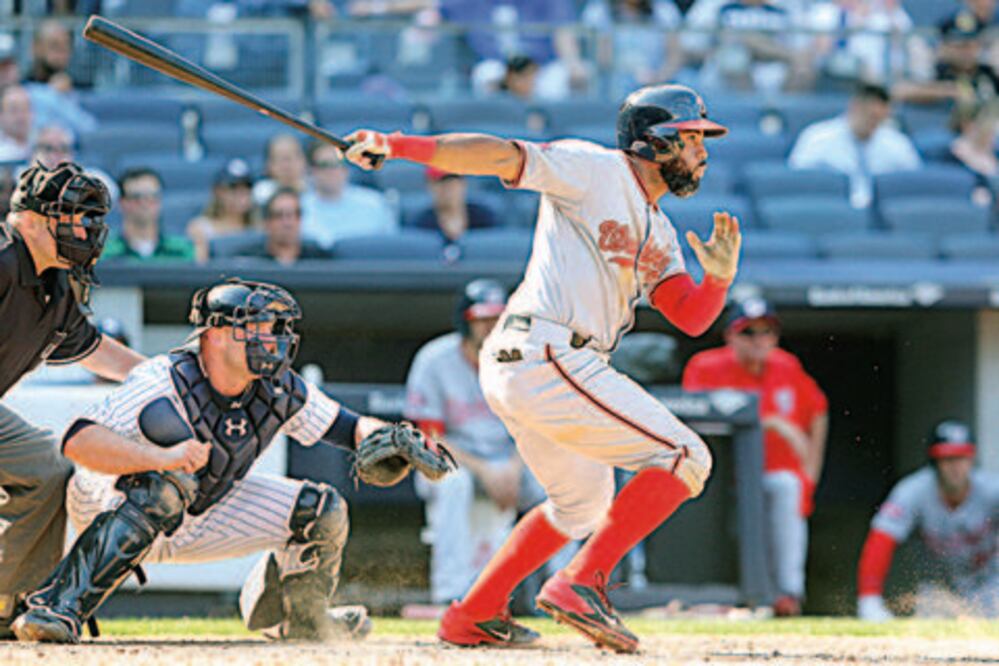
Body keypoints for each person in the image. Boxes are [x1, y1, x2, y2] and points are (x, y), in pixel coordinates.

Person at [345, 82, 741, 652]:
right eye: (691, 138)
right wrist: (397, 145)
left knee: (581, 507)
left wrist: (719, 280)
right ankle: (582, 581)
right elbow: (499, 155)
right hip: (547, 349)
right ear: (654, 143)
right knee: (686, 456)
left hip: (542, 361)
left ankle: (472, 613)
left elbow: (690, 316)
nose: (702, 150)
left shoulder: (660, 230)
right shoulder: (595, 169)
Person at [10, 278, 456, 643]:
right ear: (216, 334)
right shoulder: (163, 379)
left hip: (199, 510)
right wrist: (159, 455)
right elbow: (78, 441)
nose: (272, 339)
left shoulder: (279, 386)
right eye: (258, 327)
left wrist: (390, 436)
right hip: (109, 503)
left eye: (275, 328)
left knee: (323, 509)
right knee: (165, 484)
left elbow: (349, 426)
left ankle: (299, 620)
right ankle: (57, 607)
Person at [0, 162, 146, 639]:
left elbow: (94, 348)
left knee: (48, 471)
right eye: (72, 218)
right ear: (31, 220)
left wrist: (159, 376)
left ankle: (11, 600)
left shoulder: (56, 283)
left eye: (88, 219)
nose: (83, 230)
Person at [406, 279, 550, 605]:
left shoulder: (525, 359)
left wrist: (513, 466)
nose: (491, 327)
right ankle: (451, 593)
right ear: (465, 322)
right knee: (452, 483)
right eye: (482, 319)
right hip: (453, 460)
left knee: (559, 483)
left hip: (512, 459)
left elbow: (536, 427)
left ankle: (558, 590)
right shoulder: (434, 359)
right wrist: (486, 470)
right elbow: (428, 436)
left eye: (498, 319)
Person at [682, 298, 828, 617]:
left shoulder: (786, 365)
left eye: (766, 331)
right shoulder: (705, 366)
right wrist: (770, 421)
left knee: (788, 486)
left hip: (773, 471)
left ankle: (788, 594)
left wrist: (811, 469)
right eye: (748, 332)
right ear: (730, 336)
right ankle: (718, 596)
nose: (759, 340)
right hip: (720, 476)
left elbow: (818, 410)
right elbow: (691, 419)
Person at [857, 420, 999, 620]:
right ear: (935, 462)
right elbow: (882, 540)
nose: (955, 467)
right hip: (937, 591)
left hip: (988, 585)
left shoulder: (992, 490)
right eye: (948, 459)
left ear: (972, 459)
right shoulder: (913, 491)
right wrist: (869, 597)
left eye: (961, 458)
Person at [788, 83, 921, 208]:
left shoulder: (897, 143)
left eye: (879, 119)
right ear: (854, 107)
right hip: (833, 207)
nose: (873, 123)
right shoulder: (817, 138)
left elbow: (913, 182)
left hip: (881, 210)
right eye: (870, 116)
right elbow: (799, 181)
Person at [299, 141, 396, 250]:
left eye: (338, 164)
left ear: (346, 169)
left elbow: (390, 249)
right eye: (325, 165)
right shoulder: (298, 207)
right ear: (311, 171)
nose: (333, 171)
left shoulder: (374, 204)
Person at [893, 21, 999, 107]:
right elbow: (900, 91)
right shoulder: (936, 71)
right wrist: (948, 91)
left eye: (972, 46)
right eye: (960, 46)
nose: (967, 52)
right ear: (945, 47)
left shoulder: (988, 73)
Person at [21, 20, 97, 136]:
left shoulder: (81, 87)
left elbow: (90, 128)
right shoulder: (20, 89)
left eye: (67, 46)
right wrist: (52, 94)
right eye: (54, 46)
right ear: (35, 47)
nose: (62, 52)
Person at [102, 168, 194, 262]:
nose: (144, 203)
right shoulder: (105, 252)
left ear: (160, 200)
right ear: (121, 203)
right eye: (136, 197)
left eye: (152, 196)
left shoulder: (182, 250)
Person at [187, 158, 260, 263]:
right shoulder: (200, 228)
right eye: (233, 188)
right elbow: (199, 265)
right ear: (218, 191)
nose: (240, 195)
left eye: (246, 188)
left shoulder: (260, 229)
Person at [236, 188, 330, 264]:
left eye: (292, 215)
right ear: (267, 222)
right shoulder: (248, 260)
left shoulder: (319, 259)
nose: (287, 223)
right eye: (279, 215)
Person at [27, 125, 118, 203]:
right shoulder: (21, 177)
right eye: (48, 149)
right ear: (34, 152)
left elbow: (112, 193)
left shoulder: (90, 176)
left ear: (72, 153)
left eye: (64, 149)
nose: (55, 155)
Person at [411, 167, 499, 244]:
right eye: (440, 182)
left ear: (463, 184)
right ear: (430, 186)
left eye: (452, 181)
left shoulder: (484, 218)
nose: (447, 188)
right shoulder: (421, 224)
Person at [252, 134, 308, 207]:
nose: (286, 166)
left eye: (290, 158)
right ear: (268, 165)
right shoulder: (261, 194)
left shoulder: (317, 189)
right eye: (279, 158)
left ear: (304, 160)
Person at [0, 85, 33, 164]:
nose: (21, 116)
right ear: (1, 115)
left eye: (25, 109)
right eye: (14, 110)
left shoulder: (43, 142)